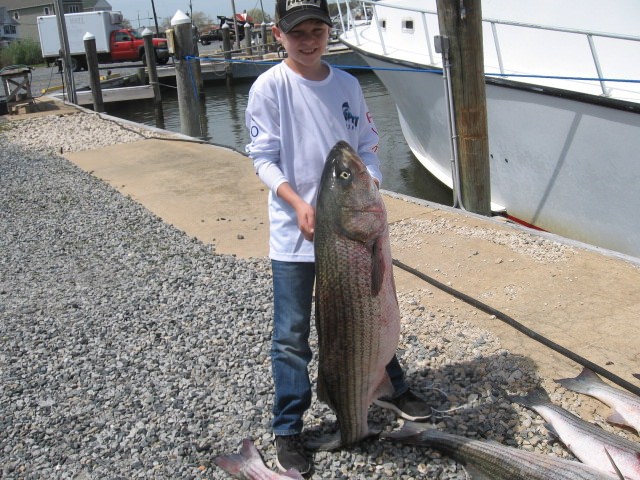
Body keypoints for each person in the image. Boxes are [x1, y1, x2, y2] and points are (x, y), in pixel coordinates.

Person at [244, 0, 430, 473]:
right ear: (278, 35)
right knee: (291, 336)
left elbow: (367, 147)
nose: (308, 41)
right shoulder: (270, 87)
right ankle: (288, 428)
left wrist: (372, 186)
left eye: (317, 31)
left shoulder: (347, 84)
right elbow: (263, 157)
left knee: (371, 308)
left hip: (353, 231)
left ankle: (392, 388)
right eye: (297, 32)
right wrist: (298, 202)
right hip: (296, 234)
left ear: (329, 33)